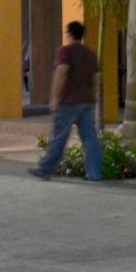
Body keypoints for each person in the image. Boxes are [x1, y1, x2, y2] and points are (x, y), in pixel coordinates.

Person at [30, 21, 101, 181]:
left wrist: (55, 98)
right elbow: (96, 76)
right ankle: (94, 173)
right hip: (87, 101)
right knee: (89, 138)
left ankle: (44, 169)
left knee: (59, 137)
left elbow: (61, 72)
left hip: (69, 101)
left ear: (69, 34)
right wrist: (94, 94)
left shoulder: (65, 51)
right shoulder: (90, 53)